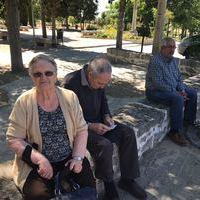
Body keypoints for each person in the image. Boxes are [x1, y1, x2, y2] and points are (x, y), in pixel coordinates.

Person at [6, 54, 96, 200]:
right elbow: (14, 139)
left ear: (55, 75)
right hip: (37, 164)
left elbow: (81, 129)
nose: (43, 78)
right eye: (37, 74)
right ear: (32, 77)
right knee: (38, 195)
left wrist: (78, 158)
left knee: (89, 187)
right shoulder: (24, 102)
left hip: (68, 157)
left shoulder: (70, 97)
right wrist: (40, 159)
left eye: (48, 73)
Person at [63, 57, 147, 200]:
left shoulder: (100, 79)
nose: (103, 86)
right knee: (104, 145)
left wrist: (107, 116)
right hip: (79, 129)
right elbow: (67, 116)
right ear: (90, 75)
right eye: (100, 83)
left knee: (128, 132)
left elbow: (103, 100)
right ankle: (109, 185)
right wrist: (90, 125)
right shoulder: (71, 82)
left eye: (106, 83)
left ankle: (127, 179)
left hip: (98, 123)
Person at [145, 37, 197, 146]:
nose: (173, 49)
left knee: (192, 93)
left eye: (174, 47)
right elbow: (157, 83)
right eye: (170, 47)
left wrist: (182, 89)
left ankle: (187, 123)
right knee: (177, 98)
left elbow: (178, 78)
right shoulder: (156, 61)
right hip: (154, 91)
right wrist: (177, 92)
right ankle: (175, 132)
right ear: (163, 48)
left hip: (172, 87)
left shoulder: (174, 61)